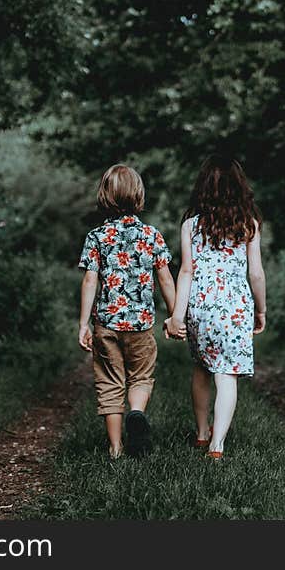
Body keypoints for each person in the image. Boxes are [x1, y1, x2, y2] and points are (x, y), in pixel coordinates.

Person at [165, 155, 266, 460]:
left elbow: (186, 271)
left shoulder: (191, 226)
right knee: (227, 376)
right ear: (239, 188)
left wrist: (177, 316)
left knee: (201, 368)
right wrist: (261, 309)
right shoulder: (249, 224)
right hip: (235, 308)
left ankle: (200, 432)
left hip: (201, 307)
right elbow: (256, 273)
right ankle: (217, 445)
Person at [77, 164, 176, 459]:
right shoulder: (151, 235)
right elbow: (166, 278)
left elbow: (90, 279)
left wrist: (83, 323)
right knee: (141, 377)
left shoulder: (96, 236)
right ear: (138, 194)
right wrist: (174, 316)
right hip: (141, 324)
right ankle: (136, 412)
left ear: (105, 195)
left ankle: (116, 448)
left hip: (106, 324)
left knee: (109, 382)